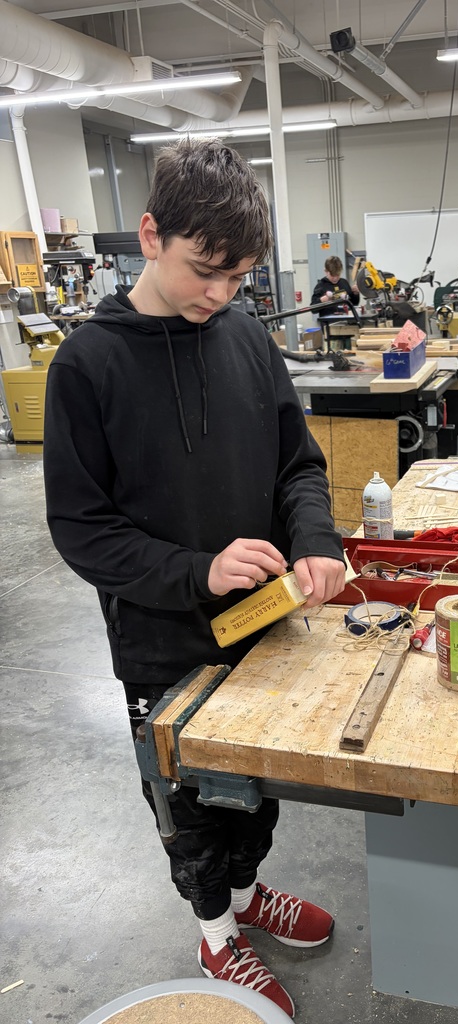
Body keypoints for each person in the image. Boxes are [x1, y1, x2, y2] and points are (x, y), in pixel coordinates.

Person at [43, 139, 347, 1019]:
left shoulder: (245, 335)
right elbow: (82, 530)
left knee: (257, 794)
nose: (220, 294)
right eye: (204, 270)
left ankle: (250, 897)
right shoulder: (87, 366)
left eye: (240, 276)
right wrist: (196, 570)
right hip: (162, 641)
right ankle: (217, 933)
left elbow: (298, 464)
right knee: (190, 805)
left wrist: (317, 540)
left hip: (264, 627)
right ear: (149, 235)